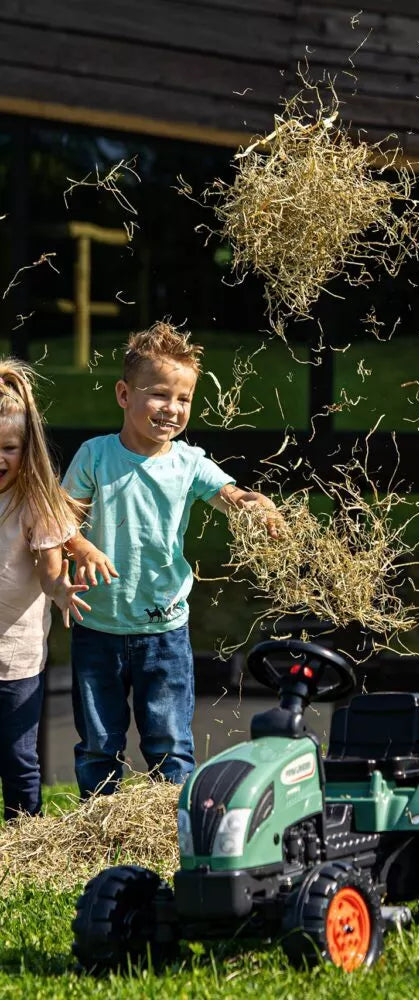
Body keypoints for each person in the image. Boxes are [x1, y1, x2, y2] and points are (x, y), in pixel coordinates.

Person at [63, 322, 277, 797]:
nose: (172, 409)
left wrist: (252, 505)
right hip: (98, 626)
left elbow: (229, 495)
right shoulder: (95, 456)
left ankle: (171, 824)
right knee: (99, 742)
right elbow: (61, 521)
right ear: (123, 394)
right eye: (159, 395)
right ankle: (97, 826)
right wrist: (81, 546)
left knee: (170, 742)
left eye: (183, 399)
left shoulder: (188, 462)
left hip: (165, 630)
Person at [0, 359, 91, 821]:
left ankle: (22, 842)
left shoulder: (33, 501)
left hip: (15, 659)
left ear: (27, 448)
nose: (0, 458)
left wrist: (61, 591)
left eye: (9, 448)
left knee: (18, 759)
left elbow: (50, 570)